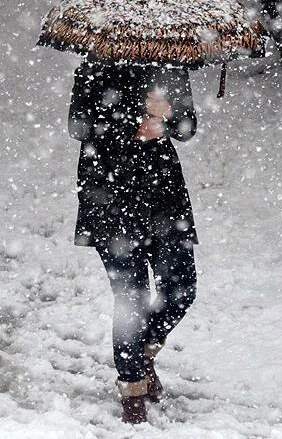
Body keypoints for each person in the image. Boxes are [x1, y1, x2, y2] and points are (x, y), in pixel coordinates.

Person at [67, 58, 199, 424]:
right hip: (109, 196)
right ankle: (132, 391)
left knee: (182, 288)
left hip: (164, 197)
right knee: (132, 300)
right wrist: (136, 121)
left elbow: (187, 129)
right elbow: (79, 126)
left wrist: (168, 116)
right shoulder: (95, 66)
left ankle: (141, 355)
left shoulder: (171, 65)